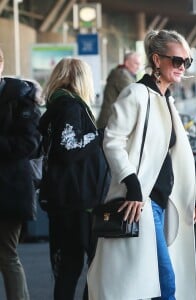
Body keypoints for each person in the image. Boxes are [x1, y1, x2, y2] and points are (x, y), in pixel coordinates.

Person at [88, 29, 196, 300]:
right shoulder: (136, 94)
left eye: (187, 62)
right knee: (163, 283)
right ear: (157, 59)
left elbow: (175, 156)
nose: (182, 67)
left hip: (164, 201)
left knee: (148, 283)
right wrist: (132, 185)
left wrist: (193, 197)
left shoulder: (166, 99)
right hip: (142, 202)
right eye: (177, 60)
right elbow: (112, 141)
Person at [38, 58, 104, 300]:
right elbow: (69, 148)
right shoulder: (71, 107)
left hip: (61, 199)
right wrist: (99, 136)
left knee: (67, 267)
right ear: (82, 79)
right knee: (90, 267)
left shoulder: (55, 106)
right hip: (78, 201)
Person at [0, 47, 41, 300]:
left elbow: (29, 144)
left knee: (7, 255)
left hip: (9, 189)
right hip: (11, 188)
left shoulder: (20, 97)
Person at [96, 51, 141, 128]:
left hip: (113, 120)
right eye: (136, 63)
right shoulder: (121, 75)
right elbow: (134, 95)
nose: (138, 67)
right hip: (110, 121)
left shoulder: (125, 74)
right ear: (127, 63)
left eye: (139, 64)